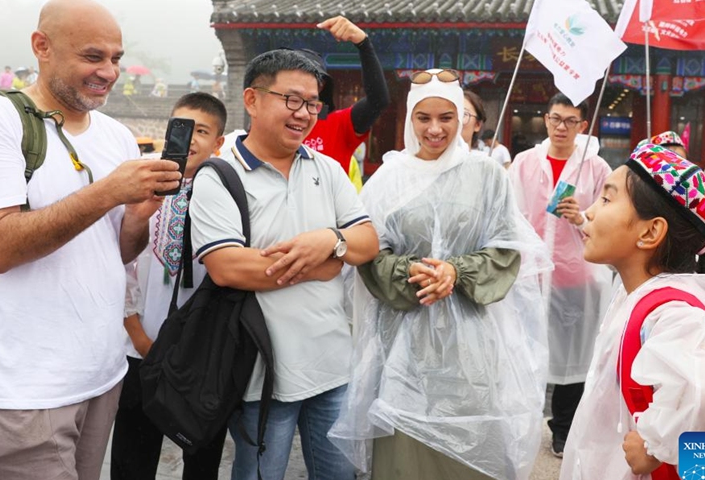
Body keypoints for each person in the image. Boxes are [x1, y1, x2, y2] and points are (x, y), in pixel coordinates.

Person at [0, 1, 182, 479]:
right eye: (93, 56)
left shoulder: (114, 136)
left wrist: (138, 216)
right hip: (21, 387)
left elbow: (112, 253)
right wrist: (109, 191)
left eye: (116, 58)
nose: (109, 72)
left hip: (100, 373)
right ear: (42, 47)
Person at [328, 69, 551, 480]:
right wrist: (410, 273)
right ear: (410, 117)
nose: (435, 129)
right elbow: (368, 253)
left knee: (469, 451)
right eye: (424, 118)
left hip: (470, 349)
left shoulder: (486, 175)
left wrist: (457, 272)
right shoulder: (388, 179)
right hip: (401, 344)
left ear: (462, 118)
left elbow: (505, 252)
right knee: (403, 458)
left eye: (446, 117)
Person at [189, 49, 379, 480]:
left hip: (332, 366)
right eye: (291, 100)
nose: (305, 113)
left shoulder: (328, 169)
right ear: (252, 100)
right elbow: (227, 267)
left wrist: (330, 240)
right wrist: (326, 261)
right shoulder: (219, 175)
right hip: (260, 374)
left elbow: (367, 243)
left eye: (313, 103)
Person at [560, 144, 705, 479]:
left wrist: (654, 446)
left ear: (650, 232)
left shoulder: (668, 311)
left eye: (606, 199)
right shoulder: (639, 295)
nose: (589, 212)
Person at [111, 92, 227, 480]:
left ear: (219, 143)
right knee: (133, 458)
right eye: (182, 128)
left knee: (202, 458)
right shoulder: (139, 185)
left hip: (201, 356)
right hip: (139, 347)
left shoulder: (227, 194)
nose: (191, 139)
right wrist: (136, 332)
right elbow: (121, 265)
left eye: (203, 131)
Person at [508, 92, 614, 457]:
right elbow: (510, 216)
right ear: (546, 118)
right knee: (525, 353)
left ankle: (563, 430)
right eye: (556, 119)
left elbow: (609, 223)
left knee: (575, 356)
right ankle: (520, 424)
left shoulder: (597, 168)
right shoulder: (524, 163)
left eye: (570, 121)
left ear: (583, 126)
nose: (561, 127)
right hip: (530, 278)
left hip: (578, 278)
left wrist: (582, 217)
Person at [298, 16, 390, 182]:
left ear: (322, 86)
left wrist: (364, 44)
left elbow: (378, 100)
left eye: (312, 77)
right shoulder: (274, 125)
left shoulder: (338, 124)